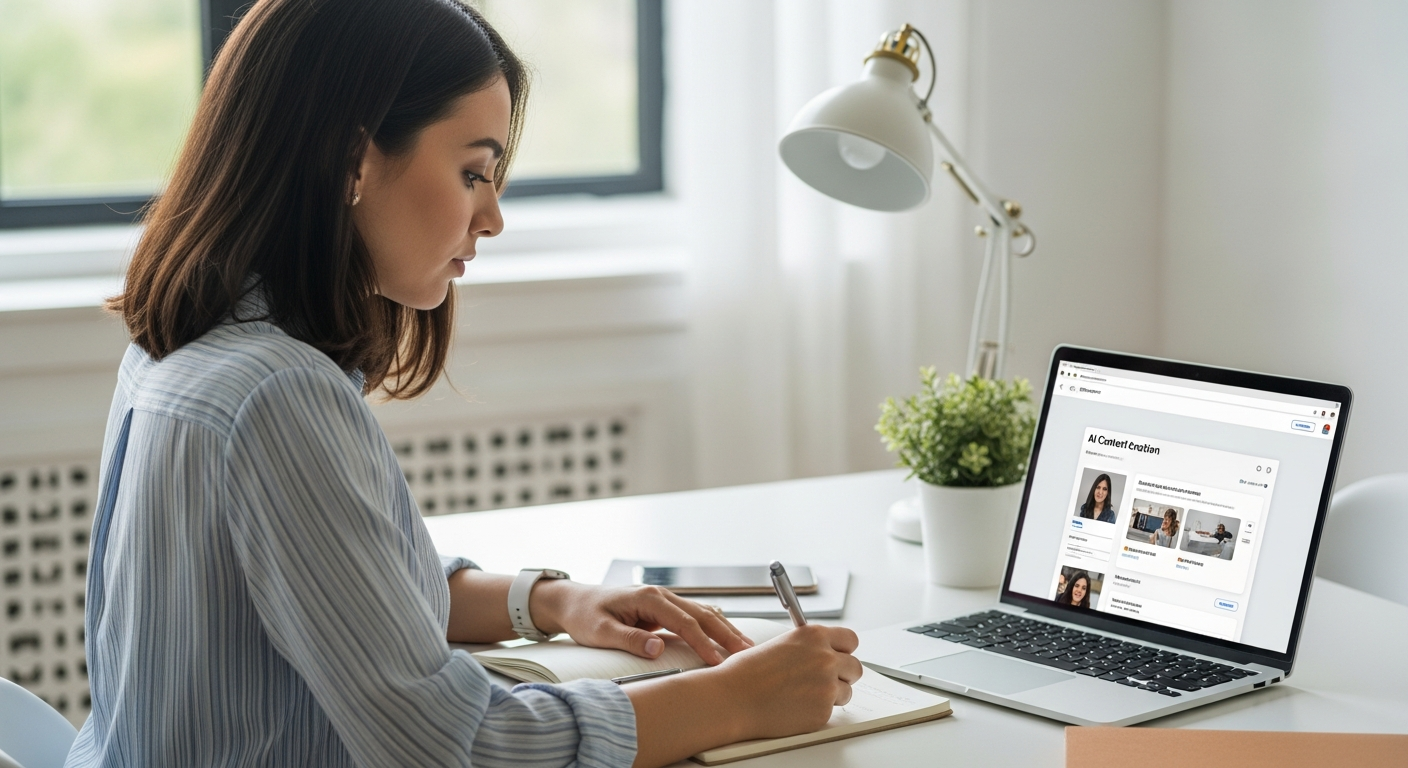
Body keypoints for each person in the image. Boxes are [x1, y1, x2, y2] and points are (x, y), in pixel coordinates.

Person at [66, 2, 861, 766]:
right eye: (475, 172)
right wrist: (736, 699)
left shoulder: (186, 344)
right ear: (353, 161)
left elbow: (349, 598)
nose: (494, 218)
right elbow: (463, 749)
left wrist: (550, 601)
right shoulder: (275, 395)